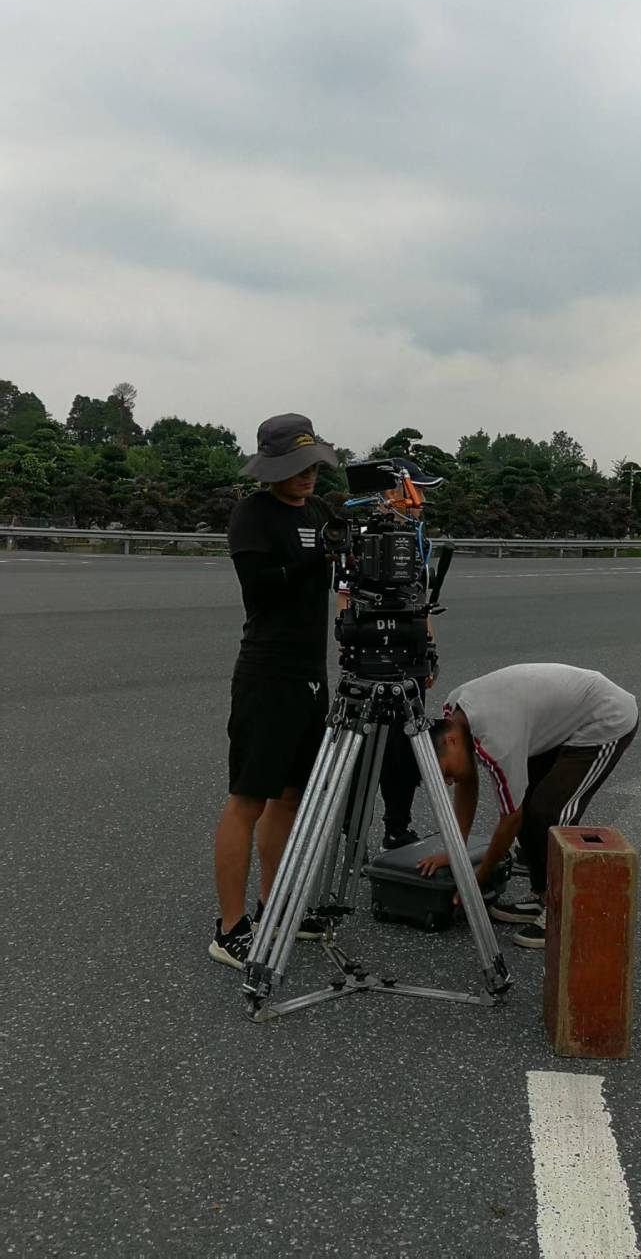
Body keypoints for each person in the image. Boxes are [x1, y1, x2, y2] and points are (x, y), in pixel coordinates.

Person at [209, 413, 338, 970]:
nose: (308, 476)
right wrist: (316, 557)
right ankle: (230, 927)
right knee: (248, 798)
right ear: (270, 467)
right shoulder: (253, 514)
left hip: (312, 672)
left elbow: (339, 575)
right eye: (296, 467)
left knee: (291, 796)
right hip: (267, 671)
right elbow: (260, 587)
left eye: (313, 466)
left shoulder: (320, 511)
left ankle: (273, 905)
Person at [422, 663, 639, 948]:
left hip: (605, 717)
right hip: (559, 719)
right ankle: (542, 896)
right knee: (529, 807)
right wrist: (455, 851)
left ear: (450, 741)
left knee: (550, 814)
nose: (448, 781)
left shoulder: (496, 739)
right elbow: (467, 781)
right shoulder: (454, 711)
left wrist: (479, 878)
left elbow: (510, 818)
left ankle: (563, 912)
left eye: (445, 771)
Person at [335, 456, 443, 850]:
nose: (420, 503)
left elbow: (420, 601)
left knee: (405, 753)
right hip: (369, 659)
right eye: (415, 492)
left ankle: (397, 829)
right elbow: (344, 598)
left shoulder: (417, 540)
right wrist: (351, 642)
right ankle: (353, 838)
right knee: (359, 753)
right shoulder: (360, 539)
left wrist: (428, 649)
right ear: (392, 493)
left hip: (408, 659)